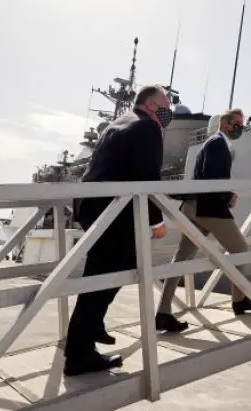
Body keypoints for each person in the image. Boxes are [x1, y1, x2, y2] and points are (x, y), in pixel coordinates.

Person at [63, 85, 172, 376]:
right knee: (99, 280)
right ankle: (79, 354)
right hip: (112, 210)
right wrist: (156, 221)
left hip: (92, 205)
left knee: (126, 263)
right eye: (165, 104)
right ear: (150, 105)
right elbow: (147, 177)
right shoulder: (148, 127)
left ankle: (93, 323)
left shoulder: (120, 122)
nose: (168, 109)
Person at [156, 108, 251, 332]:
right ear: (224, 124)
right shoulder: (216, 144)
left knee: (180, 260)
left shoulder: (215, 143)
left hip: (194, 208)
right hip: (208, 209)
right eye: (237, 124)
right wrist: (228, 194)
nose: (240, 128)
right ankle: (239, 301)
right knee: (241, 249)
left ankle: (162, 312)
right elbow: (212, 178)